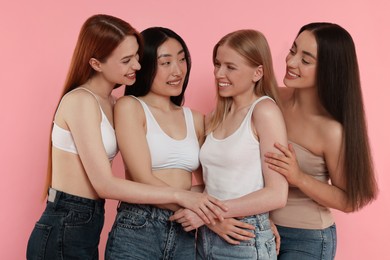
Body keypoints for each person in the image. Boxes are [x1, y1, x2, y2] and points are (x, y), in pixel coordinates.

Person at [26, 15, 226, 260]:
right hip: (67, 219)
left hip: (87, 221)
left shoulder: (110, 102)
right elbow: (105, 184)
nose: (137, 66)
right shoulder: (81, 100)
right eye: (126, 60)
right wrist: (181, 196)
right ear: (96, 64)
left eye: (137, 57)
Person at [170, 29, 288, 259]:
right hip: (208, 234)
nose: (218, 73)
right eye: (217, 64)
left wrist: (205, 214)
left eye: (230, 67)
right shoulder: (217, 116)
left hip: (243, 236)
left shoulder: (264, 111)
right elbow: (218, 185)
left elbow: (276, 194)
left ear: (258, 72)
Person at [264, 22, 379, 260]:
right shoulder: (271, 98)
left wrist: (299, 178)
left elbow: (350, 200)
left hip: (307, 239)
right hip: (261, 228)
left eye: (305, 60)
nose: (291, 62)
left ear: (329, 69)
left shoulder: (332, 131)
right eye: (293, 50)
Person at [104, 27, 215, 259]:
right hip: (140, 225)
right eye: (165, 63)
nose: (177, 71)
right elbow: (142, 177)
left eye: (182, 59)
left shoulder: (195, 118)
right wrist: (200, 210)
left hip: (185, 228)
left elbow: (211, 181)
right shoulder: (131, 107)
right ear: (144, 66)